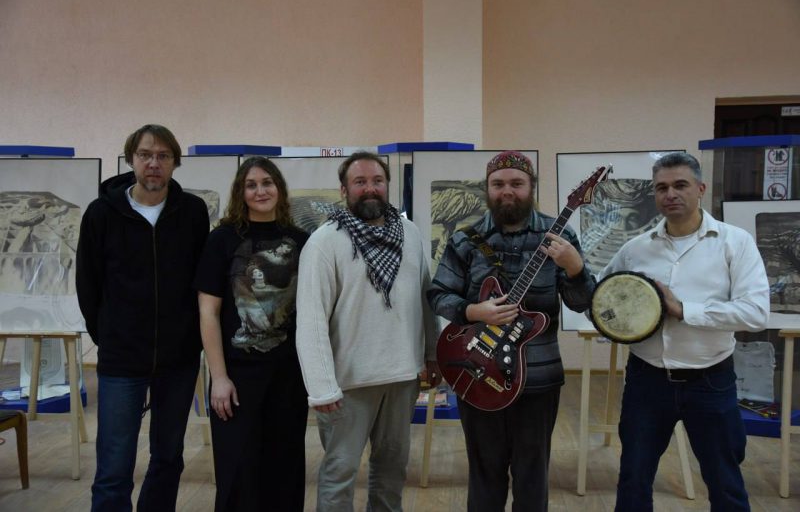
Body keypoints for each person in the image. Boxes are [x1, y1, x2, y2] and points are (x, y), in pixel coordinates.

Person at [599, 152, 770, 512]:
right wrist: (620, 321)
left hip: (710, 382)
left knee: (725, 483)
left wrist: (683, 310)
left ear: (701, 189)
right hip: (646, 382)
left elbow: (755, 313)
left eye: (680, 185)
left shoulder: (735, 242)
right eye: (661, 187)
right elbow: (602, 299)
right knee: (633, 479)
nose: (670, 194)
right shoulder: (635, 249)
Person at [428, 151, 596, 511]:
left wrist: (576, 268)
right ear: (487, 189)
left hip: (538, 377)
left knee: (532, 476)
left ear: (531, 187)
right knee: (484, 475)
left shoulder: (560, 236)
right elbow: (438, 295)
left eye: (517, 183)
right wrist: (474, 311)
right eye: (498, 184)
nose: (507, 191)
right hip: (476, 371)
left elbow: (582, 302)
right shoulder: (465, 240)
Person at [76, 124, 209, 511]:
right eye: (145, 155)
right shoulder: (101, 213)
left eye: (163, 156)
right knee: (114, 467)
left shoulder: (193, 212)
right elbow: (88, 284)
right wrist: (109, 336)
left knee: (168, 458)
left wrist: (190, 338)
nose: (154, 163)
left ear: (175, 163)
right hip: (121, 359)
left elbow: (201, 280)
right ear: (131, 159)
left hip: (178, 360)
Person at [295, 151, 439, 512]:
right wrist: (321, 387)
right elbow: (311, 320)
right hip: (347, 385)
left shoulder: (410, 233)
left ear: (387, 185)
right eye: (360, 182)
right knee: (339, 473)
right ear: (344, 190)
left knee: (392, 471)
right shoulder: (324, 242)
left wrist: (433, 354)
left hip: (403, 377)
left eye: (377, 181)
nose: (370, 188)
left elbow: (424, 298)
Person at [194, 157, 309, 511]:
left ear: (280, 188)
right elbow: (208, 312)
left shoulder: (302, 241)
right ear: (240, 193)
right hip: (237, 377)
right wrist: (219, 378)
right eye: (251, 185)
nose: (261, 191)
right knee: (238, 473)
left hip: (289, 376)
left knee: (285, 470)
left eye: (267, 182)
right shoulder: (222, 240)